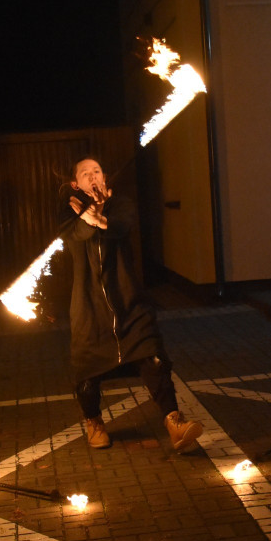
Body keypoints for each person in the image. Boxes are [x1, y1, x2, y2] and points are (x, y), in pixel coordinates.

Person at [60, 155, 203, 452]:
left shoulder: (121, 204)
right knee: (87, 374)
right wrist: (90, 215)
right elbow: (76, 233)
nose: (92, 175)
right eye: (85, 173)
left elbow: (120, 227)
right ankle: (94, 421)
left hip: (129, 303)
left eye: (97, 170)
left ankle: (174, 421)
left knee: (154, 358)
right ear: (75, 183)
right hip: (89, 310)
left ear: (105, 176)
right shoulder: (68, 211)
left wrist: (99, 214)